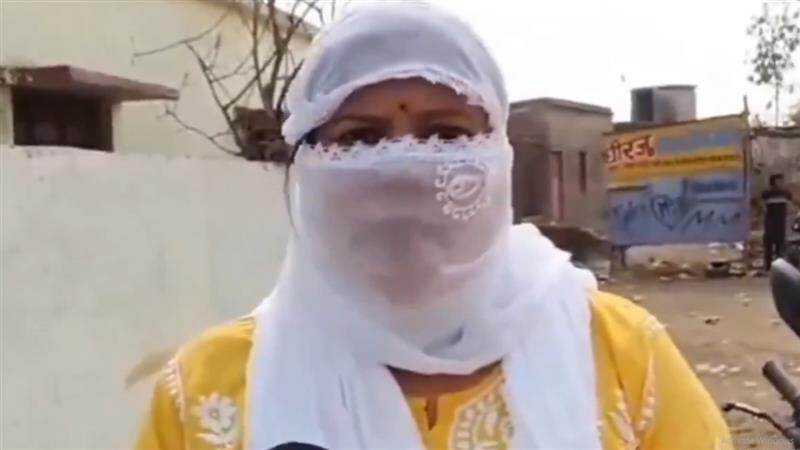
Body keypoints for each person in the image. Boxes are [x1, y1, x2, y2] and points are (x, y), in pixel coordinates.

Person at [136, 4, 730, 449]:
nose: (404, 167)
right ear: (308, 166)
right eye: (360, 138)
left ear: (498, 156)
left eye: (446, 134)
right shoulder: (206, 395)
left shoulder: (623, 356)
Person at [762, 174, 797, 271]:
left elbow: (793, 202)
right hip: (770, 223)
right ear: (773, 182)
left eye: (781, 181)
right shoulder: (767, 193)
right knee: (769, 246)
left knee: (780, 246)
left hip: (781, 223)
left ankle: (779, 268)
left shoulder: (785, 193)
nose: (781, 183)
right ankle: (768, 267)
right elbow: (760, 204)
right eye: (779, 181)